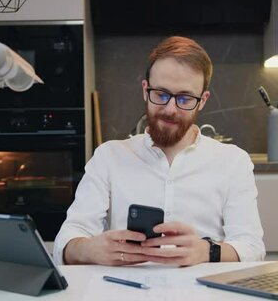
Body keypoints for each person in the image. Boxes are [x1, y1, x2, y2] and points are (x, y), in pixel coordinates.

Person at [53, 36, 265, 266]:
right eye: (161, 94)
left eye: (185, 98)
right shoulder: (108, 157)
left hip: (206, 294)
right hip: (123, 293)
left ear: (203, 100)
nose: (170, 109)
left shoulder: (233, 161)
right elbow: (66, 240)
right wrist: (89, 249)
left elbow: (252, 248)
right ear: (145, 90)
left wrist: (207, 251)